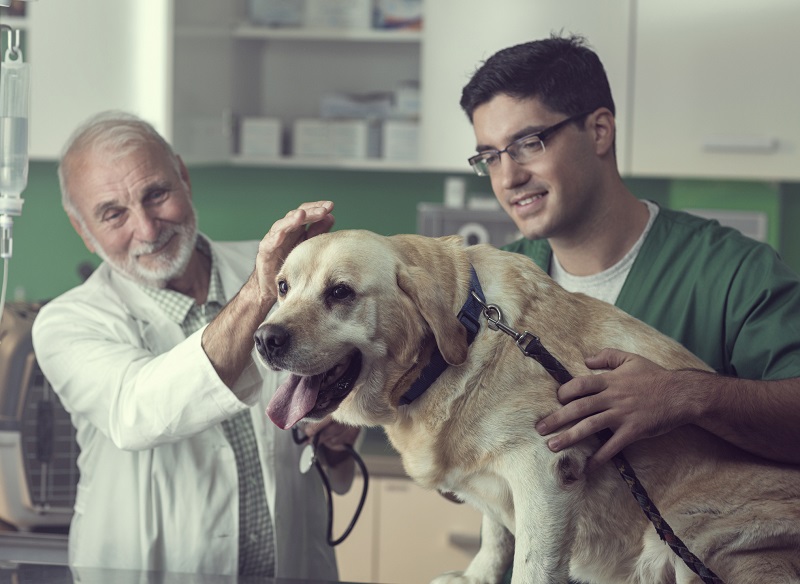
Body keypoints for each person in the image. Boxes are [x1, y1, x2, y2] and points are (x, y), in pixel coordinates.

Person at [31, 110, 360, 579]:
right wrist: (258, 293)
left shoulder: (280, 269)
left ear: (183, 178)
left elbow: (329, 374)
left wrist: (337, 429)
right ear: (82, 228)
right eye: (113, 214)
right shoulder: (66, 323)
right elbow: (137, 411)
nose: (146, 229)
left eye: (156, 194)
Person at [460, 35, 800, 472]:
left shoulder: (735, 273)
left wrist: (687, 395)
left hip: (698, 536)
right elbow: (470, 461)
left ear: (599, 131)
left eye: (529, 143)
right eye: (490, 156)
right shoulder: (490, 286)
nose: (508, 177)